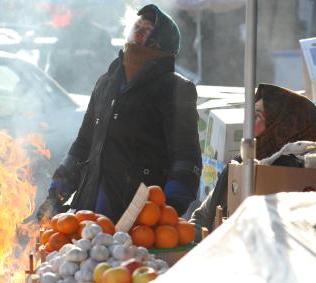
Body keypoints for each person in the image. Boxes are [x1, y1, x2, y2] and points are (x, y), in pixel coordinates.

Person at [36, 4, 202, 223]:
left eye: (149, 29)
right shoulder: (106, 83)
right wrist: (55, 194)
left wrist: (165, 210)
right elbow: (82, 146)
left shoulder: (174, 89)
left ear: (162, 40)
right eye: (137, 25)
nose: (139, 31)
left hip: (138, 218)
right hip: (89, 211)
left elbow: (185, 159)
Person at [189, 83, 316, 242]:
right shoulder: (239, 165)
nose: (247, 124)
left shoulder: (299, 175)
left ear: (283, 126)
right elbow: (202, 216)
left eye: (256, 116)